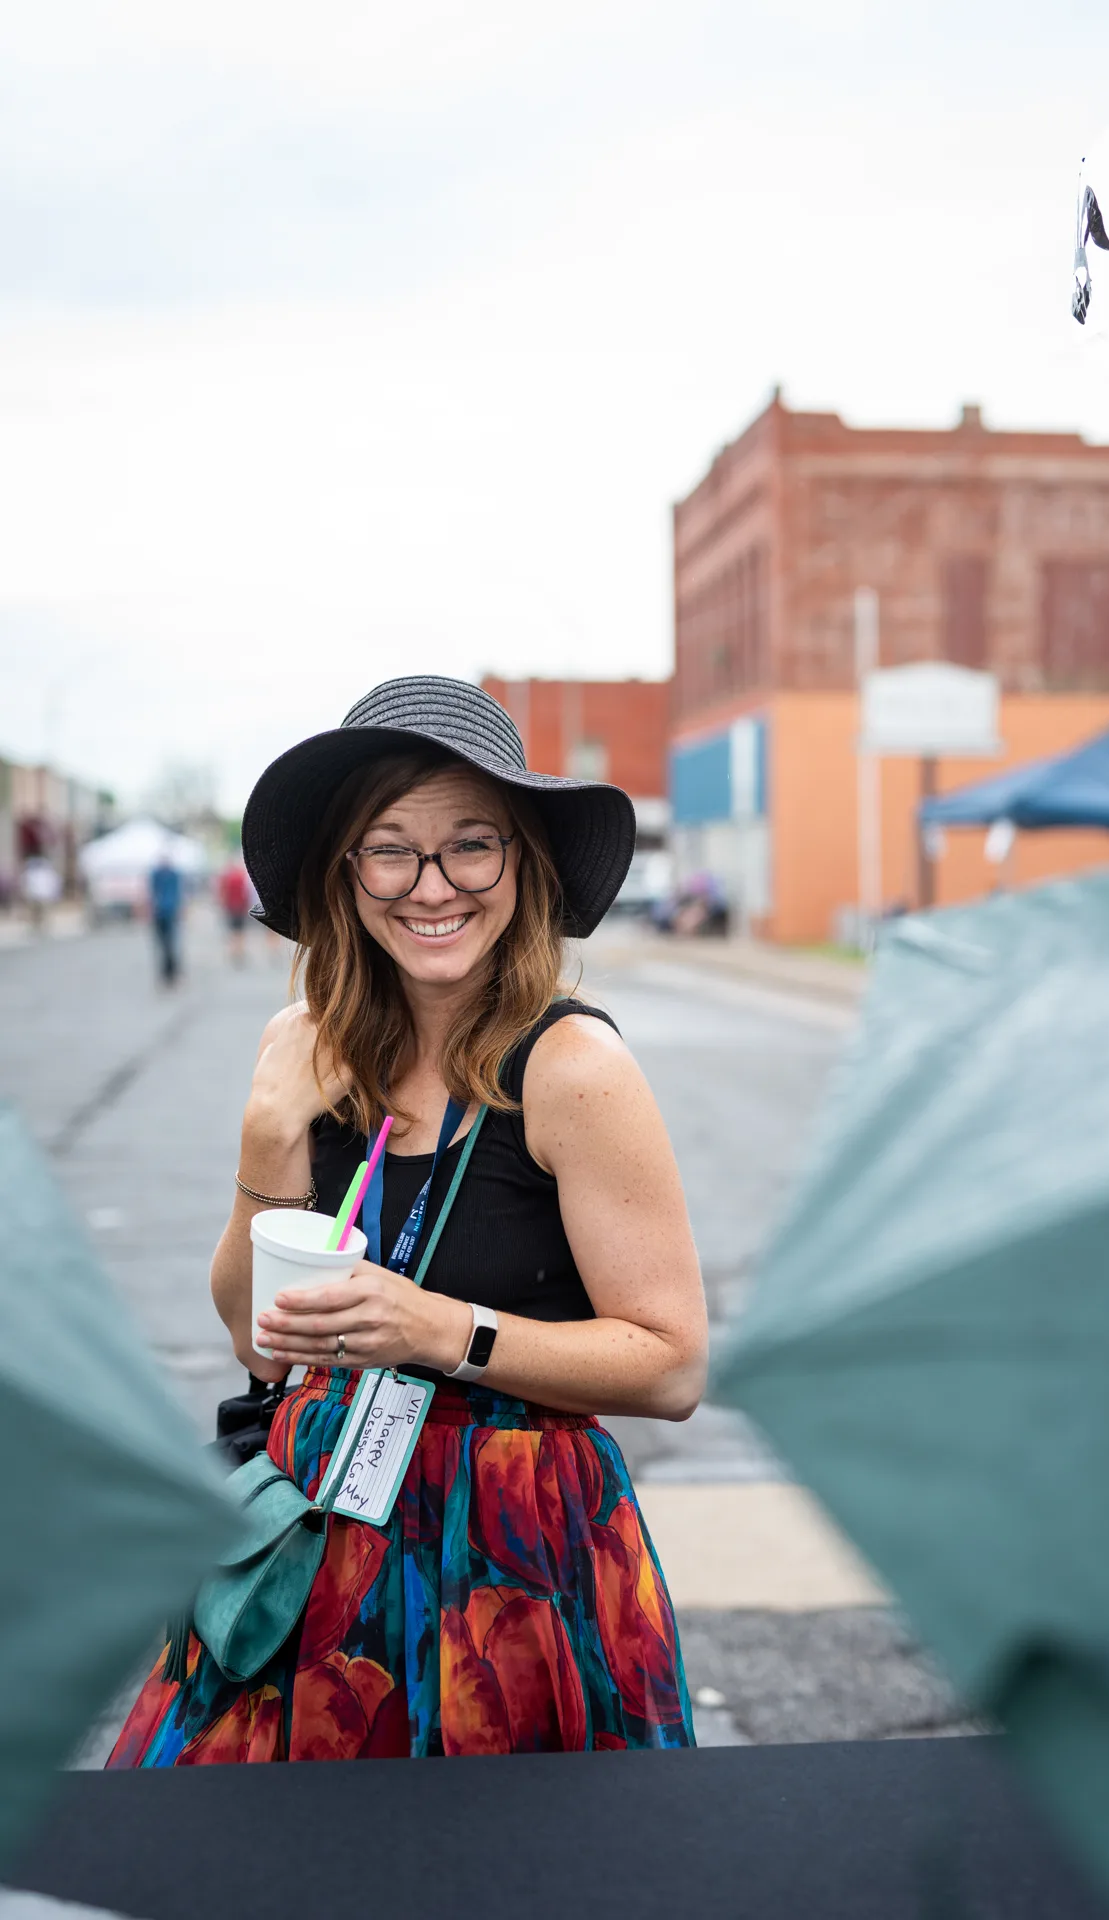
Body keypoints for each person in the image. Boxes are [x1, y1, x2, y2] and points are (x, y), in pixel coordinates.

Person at [109, 675, 708, 1764]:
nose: (433, 886)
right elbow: (257, 1342)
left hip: (513, 1559)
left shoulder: (571, 1066)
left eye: (471, 845)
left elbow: (670, 1367)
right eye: (390, 850)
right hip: (314, 1541)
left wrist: (439, 1329)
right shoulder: (304, 1044)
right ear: (345, 873)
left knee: (508, 1847)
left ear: (521, 862)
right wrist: (268, 1134)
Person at [148, 846, 183, 986]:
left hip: (167, 912)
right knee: (166, 944)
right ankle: (168, 973)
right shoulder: (163, 874)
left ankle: (170, 973)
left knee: (168, 944)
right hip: (163, 912)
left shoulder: (170, 874)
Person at [217, 857, 252, 966]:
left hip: (231, 907)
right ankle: (239, 951)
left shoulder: (228, 878)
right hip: (241, 907)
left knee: (233, 932)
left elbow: (224, 893)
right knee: (240, 932)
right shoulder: (241, 877)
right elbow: (246, 893)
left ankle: (234, 951)